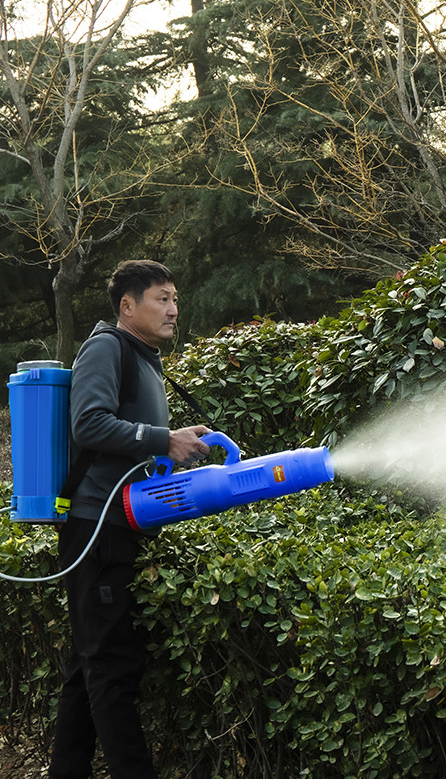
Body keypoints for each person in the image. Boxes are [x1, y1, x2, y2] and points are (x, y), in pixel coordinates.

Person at [48, 260, 211, 779]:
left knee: (89, 664)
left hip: (120, 525)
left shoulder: (145, 358)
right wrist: (163, 438)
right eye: (162, 298)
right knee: (112, 666)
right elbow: (91, 424)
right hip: (96, 528)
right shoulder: (106, 347)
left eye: (176, 299)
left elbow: (126, 434)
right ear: (127, 306)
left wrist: (176, 440)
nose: (173, 310)